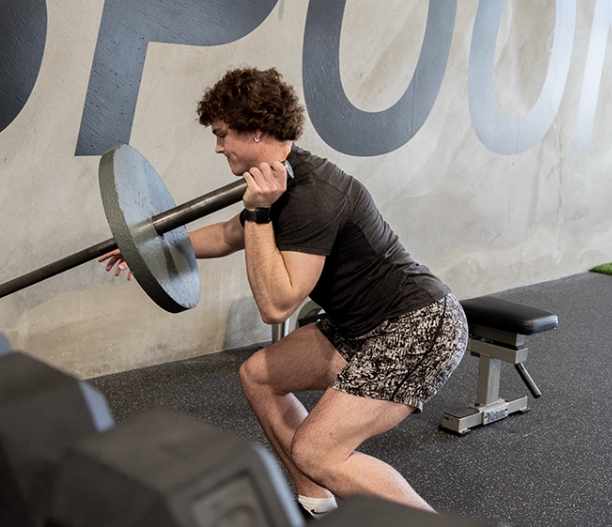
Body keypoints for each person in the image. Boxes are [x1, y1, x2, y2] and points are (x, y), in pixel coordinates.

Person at [100, 67, 468, 518]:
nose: (217, 147)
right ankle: (318, 504)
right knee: (259, 376)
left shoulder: (313, 195)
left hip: (417, 325)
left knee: (317, 452)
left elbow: (278, 305)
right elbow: (226, 235)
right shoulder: (278, 181)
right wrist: (146, 250)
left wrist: (257, 214)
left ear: (256, 130)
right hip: (361, 323)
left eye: (221, 134)